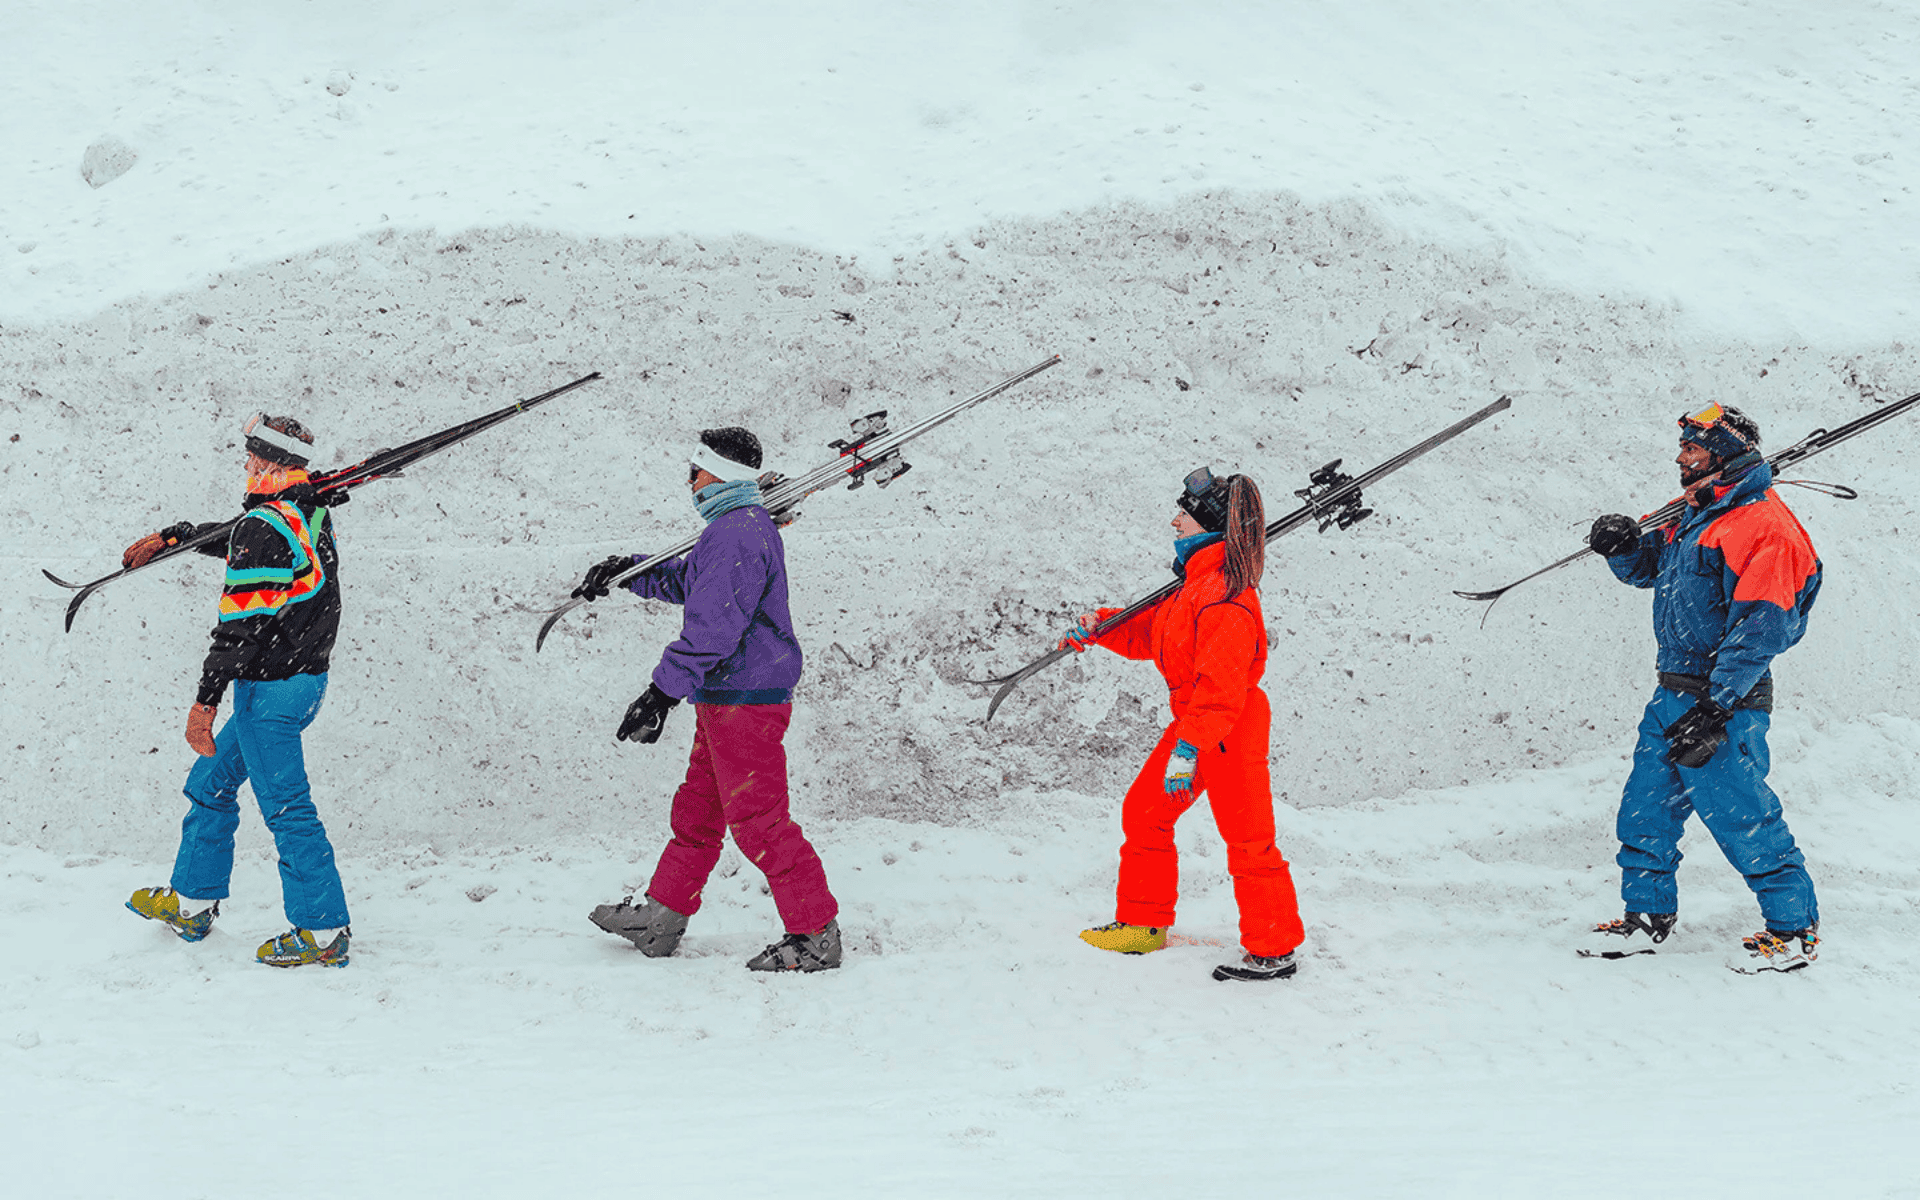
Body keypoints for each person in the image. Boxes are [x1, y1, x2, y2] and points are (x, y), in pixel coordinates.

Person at [581, 427, 842, 972]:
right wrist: (626, 571)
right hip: (727, 696)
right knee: (698, 813)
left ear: (719, 473)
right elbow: (691, 581)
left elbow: (713, 630)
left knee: (760, 823)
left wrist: (660, 693)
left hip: (744, 699)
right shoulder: (735, 530)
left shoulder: (738, 534)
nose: (690, 482)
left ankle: (814, 932)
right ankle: (663, 915)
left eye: (695, 471)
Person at [1585, 402, 1823, 971]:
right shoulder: (1694, 514)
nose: (1680, 457)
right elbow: (1649, 568)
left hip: (1726, 700)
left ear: (1721, 453)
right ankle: (1647, 917)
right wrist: (1623, 548)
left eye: (1692, 449)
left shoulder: (1766, 527)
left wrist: (1718, 706)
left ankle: (1793, 929)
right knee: (1646, 808)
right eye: (1684, 446)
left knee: (1741, 814)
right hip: (1673, 691)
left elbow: (1763, 627)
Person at [124, 414, 354, 968]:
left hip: (269, 694)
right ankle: (192, 900)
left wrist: (204, 703)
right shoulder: (304, 508)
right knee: (209, 783)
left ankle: (322, 931)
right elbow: (244, 535)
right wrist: (176, 538)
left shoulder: (268, 526)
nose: (246, 466)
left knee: (288, 809)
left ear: (271, 464)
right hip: (301, 683)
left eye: (252, 459)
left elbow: (237, 631)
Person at [1060, 467, 1305, 982]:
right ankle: (1142, 924)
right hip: (1196, 724)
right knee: (1146, 812)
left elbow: (1223, 691)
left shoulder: (1226, 598)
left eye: (1184, 516)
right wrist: (1099, 627)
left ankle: (1273, 948)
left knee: (1248, 839)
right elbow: (1150, 636)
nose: (1175, 521)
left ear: (1208, 528)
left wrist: (1188, 749)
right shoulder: (1193, 588)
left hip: (1228, 729)